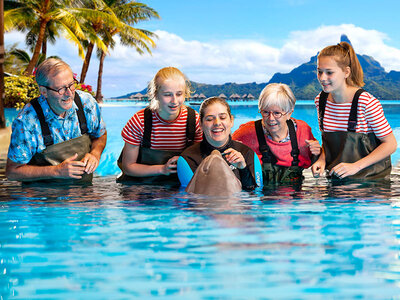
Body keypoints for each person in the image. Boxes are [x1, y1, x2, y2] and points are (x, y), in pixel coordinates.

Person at [6, 58, 107, 182]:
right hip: (44, 196)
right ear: (44, 91)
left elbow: (100, 134)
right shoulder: (27, 122)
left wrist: (95, 154)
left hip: (82, 193)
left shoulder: (87, 103)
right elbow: (12, 172)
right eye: (61, 89)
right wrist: (56, 171)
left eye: (71, 85)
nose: (69, 93)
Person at [311, 41, 397, 180]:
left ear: (346, 72)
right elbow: (327, 140)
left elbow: (391, 144)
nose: (322, 78)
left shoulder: (366, 103)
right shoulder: (320, 101)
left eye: (329, 73)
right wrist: (322, 159)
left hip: (370, 180)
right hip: (337, 178)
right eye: (319, 71)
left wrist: (355, 166)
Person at [118, 67, 202, 184]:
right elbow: (128, 167)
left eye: (179, 94)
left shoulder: (194, 120)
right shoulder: (140, 121)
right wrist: (162, 169)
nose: (174, 101)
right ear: (156, 95)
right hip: (143, 183)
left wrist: (186, 161)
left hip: (179, 183)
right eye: (167, 95)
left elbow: (200, 160)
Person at [232, 83, 321, 184]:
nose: (271, 119)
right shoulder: (246, 132)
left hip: (295, 195)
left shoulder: (303, 131)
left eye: (277, 113)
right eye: (265, 112)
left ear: (289, 113)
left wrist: (317, 154)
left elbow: (315, 163)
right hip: (261, 195)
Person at [178, 96, 261, 191]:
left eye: (222, 117)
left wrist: (243, 169)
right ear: (200, 124)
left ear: (231, 120)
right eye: (209, 119)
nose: (217, 123)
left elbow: (256, 195)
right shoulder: (189, 159)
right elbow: (190, 199)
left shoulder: (247, 154)